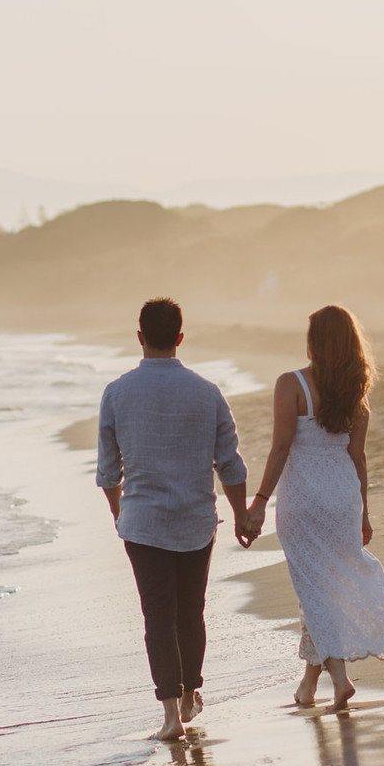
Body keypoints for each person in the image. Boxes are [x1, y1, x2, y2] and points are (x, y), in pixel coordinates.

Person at [241, 305, 384, 710]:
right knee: (322, 592)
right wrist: (363, 512)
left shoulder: (290, 384)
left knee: (314, 591)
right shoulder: (355, 393)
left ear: (314, 342)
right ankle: (308, 686)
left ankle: (340, 679)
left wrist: (258, 502)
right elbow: (358, 458)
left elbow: (280, 447)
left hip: (303, 500)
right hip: (343, 498)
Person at [97, 298, 253, 741]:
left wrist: (117, 510)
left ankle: (170, 716)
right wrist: (241, 515)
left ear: (140, 337)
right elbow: (231, 466)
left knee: (157, 616)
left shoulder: (117, 392)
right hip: (195, 520)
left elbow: (108, 471)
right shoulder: (207, 392)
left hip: (143, 523)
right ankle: (189, 696)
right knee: (191, 612)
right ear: (180, 338)